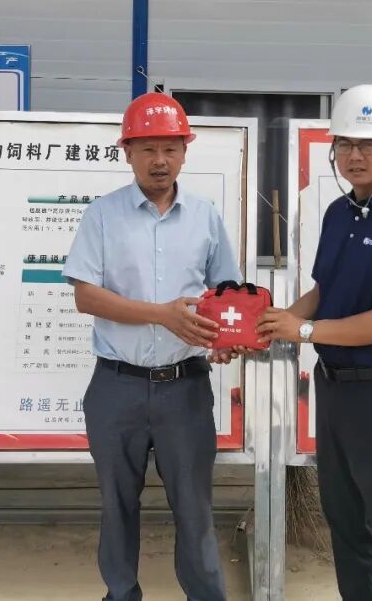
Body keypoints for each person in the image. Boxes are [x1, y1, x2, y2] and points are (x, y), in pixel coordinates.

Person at [258, 84, 372, 601]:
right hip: (335, 388)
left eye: (371, 144)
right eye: (346, 144)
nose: (356, 156)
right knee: (344, 518)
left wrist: (304, 331)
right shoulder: (340, 213)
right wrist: (276, 321)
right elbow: (325, 292)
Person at [64, 92, 246, 601]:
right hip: (115, 386)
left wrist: (224, 340)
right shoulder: (103, 215)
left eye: (170, 148)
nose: (159, 160)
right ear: (127, 152)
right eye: (147, 149)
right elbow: (86, 296)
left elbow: (226, 295)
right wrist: (162, 314)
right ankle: (121, 594)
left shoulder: (205, 217)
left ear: (186, 151)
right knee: (116, 504)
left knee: (194, 507)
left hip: (184, 389)